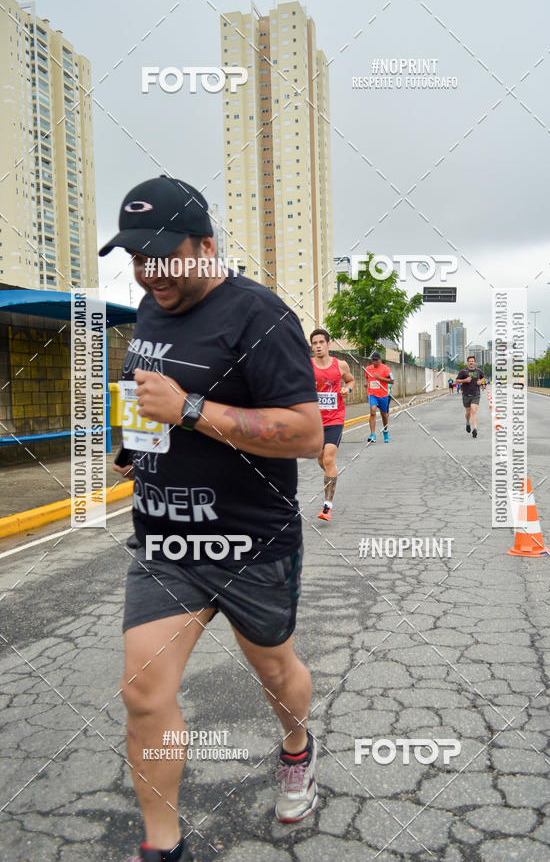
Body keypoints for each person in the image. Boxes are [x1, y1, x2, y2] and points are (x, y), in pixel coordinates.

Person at [103, 175, 323, 862]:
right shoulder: (150, 308)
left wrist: (191, 411)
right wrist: (134, 445)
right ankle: (161, 847)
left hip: (251, 541)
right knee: (144, 691)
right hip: (166, 541)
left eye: (162, 256)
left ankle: (296, 746)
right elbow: (153, 394)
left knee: (277, 674)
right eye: (136, 256)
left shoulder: (261, 317)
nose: (149, 272)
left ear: (205, 245)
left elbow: (306, 433)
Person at [310, 328, 355, 521]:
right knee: (322, 460)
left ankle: (327, 506)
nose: (318, 346)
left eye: (321, 342)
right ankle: (332, 475)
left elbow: (351, 380)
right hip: (314, 421)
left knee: (328, 458)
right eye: (314, 343)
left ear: (329, 344)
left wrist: (348, 389)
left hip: (335, 418)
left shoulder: (341, 365)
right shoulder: (306, 365)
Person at [364, 352, 394, 443]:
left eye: (376, 360)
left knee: (384, 414)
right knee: (373, 411)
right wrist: (366, 383)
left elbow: (392, 381)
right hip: (372, 394)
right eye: (373, 360)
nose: (374, 362)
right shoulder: (368, 368)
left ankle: (385, 431)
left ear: (380, 360)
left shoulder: (386, 369)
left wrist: (380, 378)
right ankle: (372, 435)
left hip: (383, 395)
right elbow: (366, 377)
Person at [456, 356, 485, 438]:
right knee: (468, 412)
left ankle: (475, 429)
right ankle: (468, 422)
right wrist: (465, 380)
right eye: (470, 361)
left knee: (474, 410)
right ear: (468, 362)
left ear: (475, 362)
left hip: (476, 394)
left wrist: (480, 381)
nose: (471, 362)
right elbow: (457, 380)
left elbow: (483, 377)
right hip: (466, 394)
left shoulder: (478, 371)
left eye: (472, 361)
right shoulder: (463, 372)